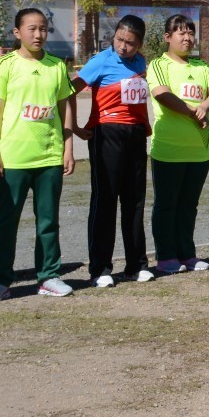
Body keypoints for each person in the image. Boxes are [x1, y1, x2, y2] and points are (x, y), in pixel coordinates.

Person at [0, 8, 76, 302]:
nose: (38, 34)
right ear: (17, 33)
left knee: (48, 221)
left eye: (44, 29)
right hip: (13, 159)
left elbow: (65, 109)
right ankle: (0, 281)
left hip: (49, 157)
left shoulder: (57, 66)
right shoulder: (5, 65)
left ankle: (49, 276)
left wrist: (68, 149)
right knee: (6, 222)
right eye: (32, 29)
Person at [70, 15, 154, 288]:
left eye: (130, 43)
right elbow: (69, 90)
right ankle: (100, 268)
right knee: (105, 199)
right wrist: (73, 127)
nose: (123, 47)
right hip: (106, 133)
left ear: (139, 44)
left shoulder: (141, 63)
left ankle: (136, 264)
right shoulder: (100, 61)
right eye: (119, 40)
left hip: (135, 136)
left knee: (135, 200)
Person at [147, 14, 209, 275]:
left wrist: (204, 106)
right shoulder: (158, 65)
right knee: (166, 205)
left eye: (191, 32)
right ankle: (166, 257)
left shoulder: (201, 66)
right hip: (168, 150)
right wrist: (193, 111)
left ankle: (187, 254)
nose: (187, 37)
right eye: (181, 32)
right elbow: (162, 94)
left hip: (199, 150)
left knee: (188, 206)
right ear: (168, 37)